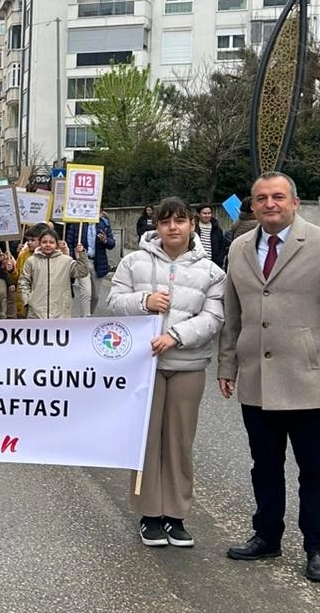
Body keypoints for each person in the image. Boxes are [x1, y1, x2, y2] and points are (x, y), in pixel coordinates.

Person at [217, 171, 320, 583]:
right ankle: (267, 535)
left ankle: (317, 547)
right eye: (262, 198)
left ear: (294, 202)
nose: (270, 204)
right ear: (253, 205)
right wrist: (227, 365)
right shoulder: (240, 247)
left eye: (278, 197)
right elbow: (233, 313)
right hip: (256, 379)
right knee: (264, 465)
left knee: (314, 468)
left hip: (308, 379)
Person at [107, 197, 225, 548]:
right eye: (165, 221)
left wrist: (176, 335)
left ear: (192, 225)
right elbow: (114, 302)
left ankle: (176, 515)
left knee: (179, 442)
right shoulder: (133, 262)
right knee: (146, 441)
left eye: (180, 220)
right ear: (156, 226)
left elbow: (214, 317)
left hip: (187, 365)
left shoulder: (211, 272)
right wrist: (143, 302)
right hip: (144, 367)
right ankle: (149, 515)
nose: (173, 227)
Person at [19, 227, 89, 319]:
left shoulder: (66, 261)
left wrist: (82, 254)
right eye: (44, 242)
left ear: (56, 244)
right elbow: (23, 281)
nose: (48, 245)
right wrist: (27, 300)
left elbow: (82, 272)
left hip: (60, 312)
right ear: (40, 243)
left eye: (51, 242)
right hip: (36, 312)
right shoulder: (31, 261)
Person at [66, 211, 115, 316]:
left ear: (101, 213)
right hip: (83, 261)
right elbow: (69, 242)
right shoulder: (77, 224)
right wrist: (73, 255)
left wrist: (105, 240)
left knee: (95, 296)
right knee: (86, 293)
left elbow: (112, 244)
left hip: (98, 262)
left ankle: (89, 316)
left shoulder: (104, 224)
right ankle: (85, 318)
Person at [195, 204, 226, 268]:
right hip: (196, 264)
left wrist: (219, 260)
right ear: (198, 214)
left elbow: (222, 246)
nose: (207, 215)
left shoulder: (217, 229)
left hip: (213, 265)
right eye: (204, 213)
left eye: (209, 213)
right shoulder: (193, 229)